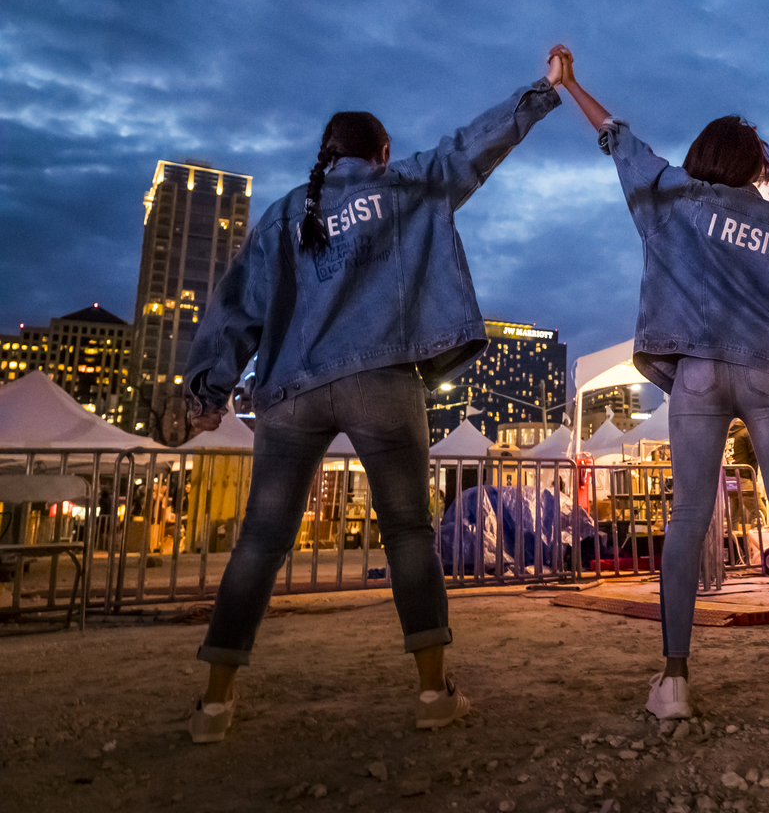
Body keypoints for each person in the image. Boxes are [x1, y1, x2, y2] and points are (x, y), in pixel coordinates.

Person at [180, 50, 567, 743]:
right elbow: (471, 149)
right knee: (409, 532)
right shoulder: (406, 186)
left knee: (261, 541)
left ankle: (214, 704)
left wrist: (208, 393)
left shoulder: (280, 217)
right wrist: (541, 92)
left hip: (292, 391)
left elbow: (233, 308)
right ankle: (431, 693)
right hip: (383, 381)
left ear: (325, 156)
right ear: (381, 153)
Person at [554, 47, 769, 718]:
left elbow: (618, 139)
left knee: (690, 518)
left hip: (696, 371)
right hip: (768, 372)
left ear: (705, 155)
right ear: (754, 166)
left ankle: (674, 683)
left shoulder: (673, 197)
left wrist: (572, 81)